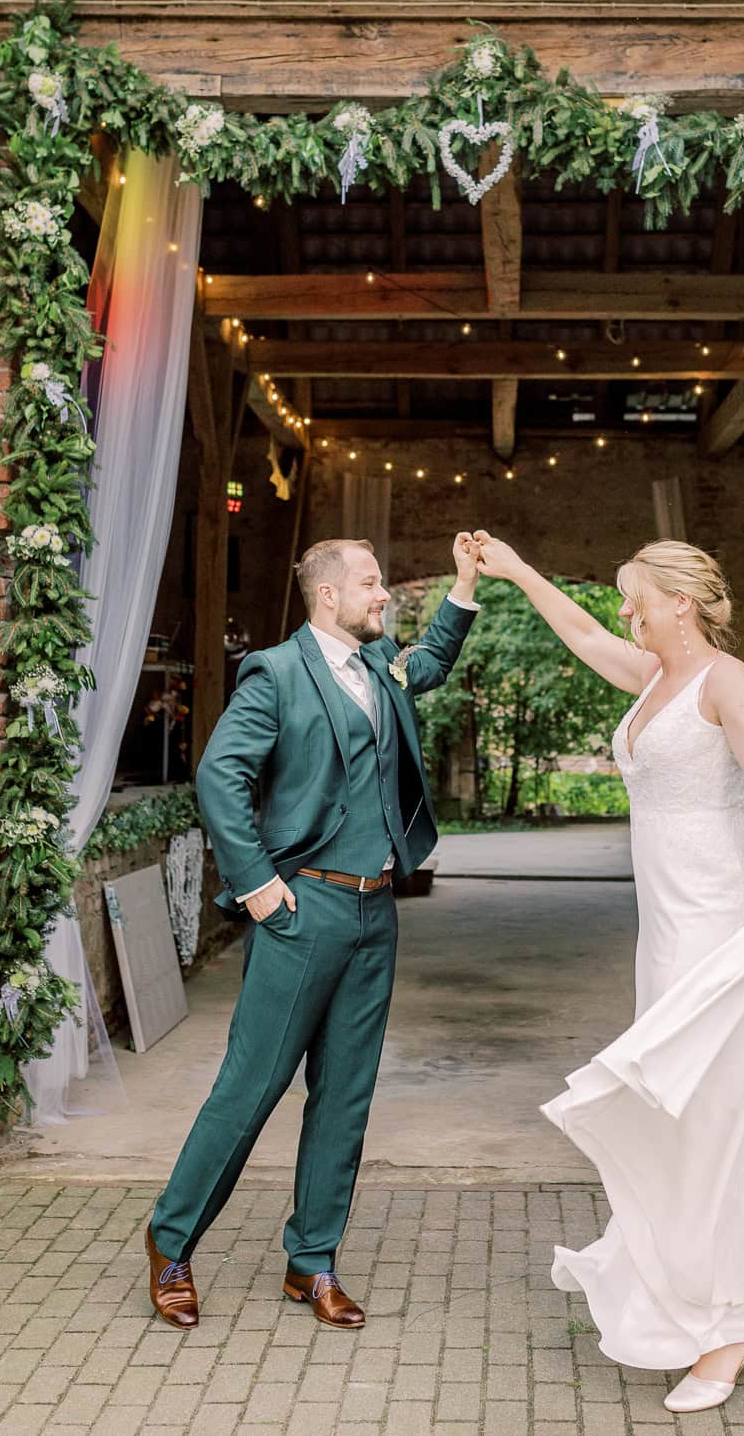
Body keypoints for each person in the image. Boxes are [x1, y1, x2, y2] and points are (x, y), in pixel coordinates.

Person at [472, 533, 744, 1415]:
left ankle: (724, 1330)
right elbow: (580, 636)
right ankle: (703, 1304)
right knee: (674, 1116)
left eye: (637, 597)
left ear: (682, 600)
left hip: (716, 921)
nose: (625, 611)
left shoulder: (727, 680)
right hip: (665, 933)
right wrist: (520, 570)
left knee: (714, 1122)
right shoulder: (651, 676)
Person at [144, 535, 480, 1330]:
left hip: (376, 914)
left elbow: (428, 662)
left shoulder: (380, 665)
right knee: (252, 1086)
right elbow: (220, 772)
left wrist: (464, 586)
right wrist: (260, 886)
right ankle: (171, 1242)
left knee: (345, 1096)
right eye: (370, 584)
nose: (382, 596)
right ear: (328, 595)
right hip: (304, 911)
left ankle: (312, 1261)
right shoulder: (277, 672)